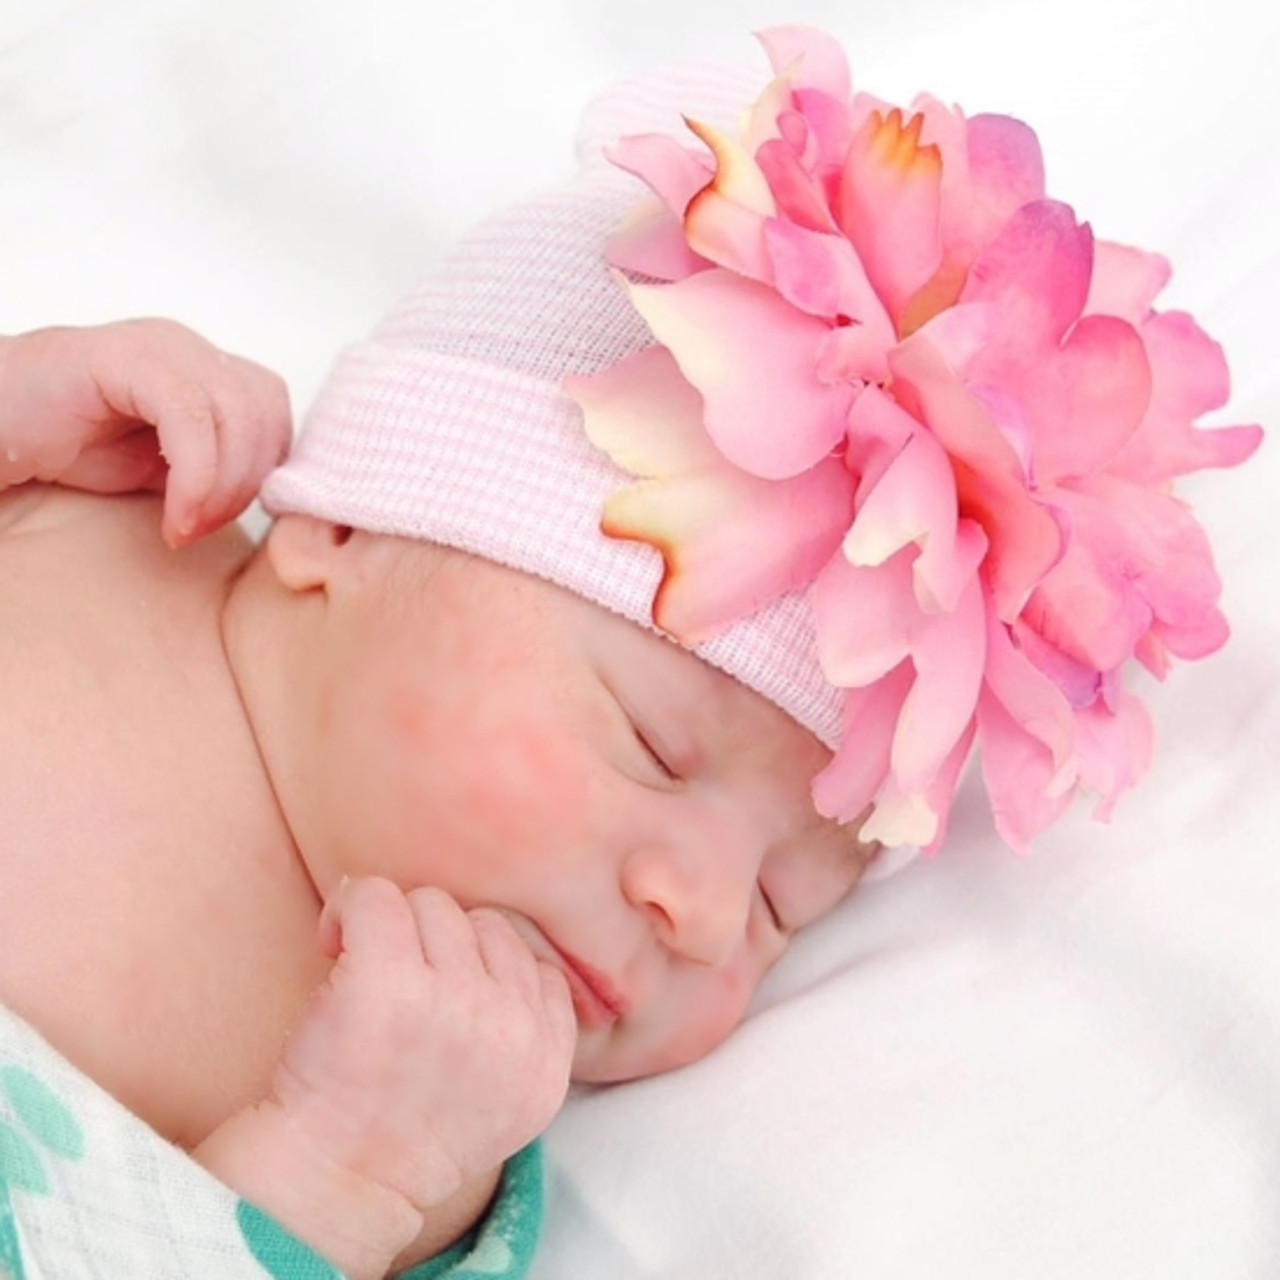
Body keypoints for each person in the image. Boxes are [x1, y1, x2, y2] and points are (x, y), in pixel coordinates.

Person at [0, 24, 1258, 1280]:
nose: (705, 914)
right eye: (650, 746)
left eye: (783, 910)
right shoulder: (87, 513)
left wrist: (332, 1180)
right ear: (334, 527)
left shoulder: (430, 1128)